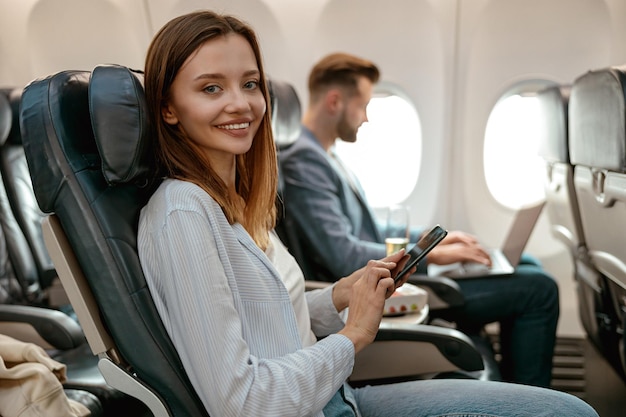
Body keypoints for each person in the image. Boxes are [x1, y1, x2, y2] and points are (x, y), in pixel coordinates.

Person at [137, 10, 598, 416]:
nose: (241, 103)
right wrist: (354, 334)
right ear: (168, 108)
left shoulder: (232, 202)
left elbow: (268, 317)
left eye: (251, 83)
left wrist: (340, 293)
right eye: (211, 88)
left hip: (334, 396)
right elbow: (244, 404)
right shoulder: (184, 213)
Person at [278, 52, 560, 388]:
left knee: (526, 263)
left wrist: (430, 238)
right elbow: (341, 253)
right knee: (540, 290)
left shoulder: (327, 155)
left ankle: (517, 389)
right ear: (335, 101)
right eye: (363, 105)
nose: (366, 118)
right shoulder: (304, 162)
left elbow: (368, 229)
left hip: (386, 272)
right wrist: (426, 255)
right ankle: (528, 398)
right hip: (374, 287)